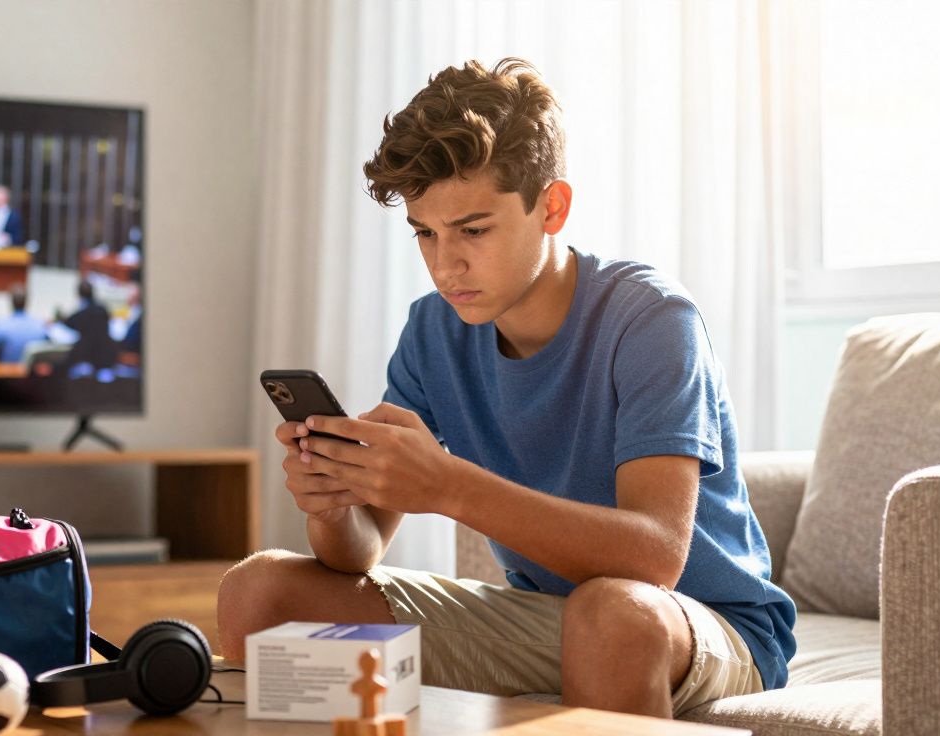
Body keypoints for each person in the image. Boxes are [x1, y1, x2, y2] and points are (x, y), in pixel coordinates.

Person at [216, 58, 796, 720]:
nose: (444, 263)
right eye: (425, 234)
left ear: (552, 206)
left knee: (613, 612)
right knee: (258, 593)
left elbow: (655, 559)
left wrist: (447, 485)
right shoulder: (433, 330)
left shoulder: (651, 318)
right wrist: (333, 499)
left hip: (704, 628)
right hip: (556, 617)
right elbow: (358, 551)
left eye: (473, 229)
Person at [0, 283, 47, 363]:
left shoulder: (1, 324)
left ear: (11, 302)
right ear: (27, 301)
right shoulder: (40, 325)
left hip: (6, 373)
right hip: (31, 374)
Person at [62, 279, 116, 373]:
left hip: (88, 357)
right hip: (107, 356)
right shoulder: (103, 309)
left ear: (78, 294)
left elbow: (69, 322)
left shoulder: (83, 312)